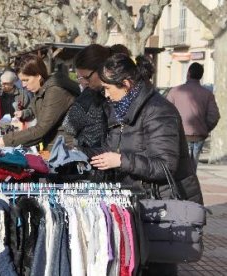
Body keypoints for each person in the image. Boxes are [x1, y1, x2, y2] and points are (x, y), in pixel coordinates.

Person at [90, 54, 203, 276]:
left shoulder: (158, 111)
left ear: (126, 84)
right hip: (135, 202)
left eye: (108, 88)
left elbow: (165, 166)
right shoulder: (121, 109)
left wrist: (121, 160)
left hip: (159, 206)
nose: (105, 94)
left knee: (158, 265)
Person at [0, 54, 80, 150]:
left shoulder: (55, 91)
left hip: (67, 150)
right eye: (21, 81)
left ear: (38, 76)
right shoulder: (41, 90)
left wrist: (6, 140)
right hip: (58, 147)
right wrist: (23, 114)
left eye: (26, 80)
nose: (23, 85)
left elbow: (41, 128)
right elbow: (34, 109)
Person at [63, 44, 130, 160]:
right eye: (79, 78)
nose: (83, 83)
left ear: (103, 70)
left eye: (86, 77)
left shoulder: (92, 96)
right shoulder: (93, 94)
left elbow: (69, 125)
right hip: (99, 160)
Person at [166, 62, 220, 171]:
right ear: (201, 75)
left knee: (180, 168)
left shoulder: (174, 92)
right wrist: (205, 127)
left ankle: (183, 187)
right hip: (199, 136)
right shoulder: (207, 94)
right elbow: (214, 115)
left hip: (180, 135)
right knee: (192, 168)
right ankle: (192, 185)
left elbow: (165, 114)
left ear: (188, 73)